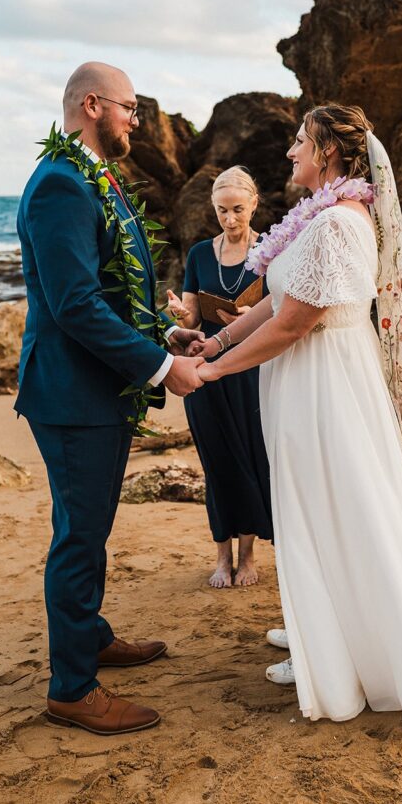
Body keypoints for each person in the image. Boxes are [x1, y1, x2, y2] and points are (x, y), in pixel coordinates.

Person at [194, 104, 402, 732]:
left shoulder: (339, 226)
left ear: (329, 154)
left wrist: (214, 373)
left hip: (327, 387)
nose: (290, 151)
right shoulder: (314, 221)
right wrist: (212, 344)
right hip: (302, 383)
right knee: (311, 509)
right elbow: (273, 301)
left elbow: (297, 324)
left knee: (337, 507)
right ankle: (322, 628)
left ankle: (352, 651)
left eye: (300, 142)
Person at [15, 62, 205, 736]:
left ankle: (90, 636)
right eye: (130, 106)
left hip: (93, 389)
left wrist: (164, 332)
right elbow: (74, 305)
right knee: (78, 535)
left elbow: (114, 290)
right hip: (70, 394)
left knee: (89, 526)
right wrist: (159, 368)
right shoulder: (61, 185)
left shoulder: (92, 178)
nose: (137, 119)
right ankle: (71, 688)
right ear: (92, 105)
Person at [166, 167, 273, 588]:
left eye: (238, 210)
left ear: (254, 204)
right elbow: (192, 313)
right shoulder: (197, 255)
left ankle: (247, 556)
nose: (229, 219)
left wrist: (252, 316)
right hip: (205, 367)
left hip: (250, 366)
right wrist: (180, 314)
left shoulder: (270, 249)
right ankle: (221, 556)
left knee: (250, 457)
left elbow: (283, 308)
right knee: (217, 463)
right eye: (221, 211)